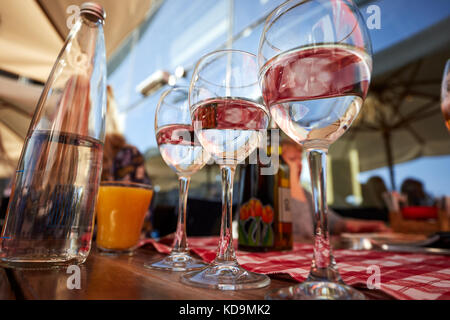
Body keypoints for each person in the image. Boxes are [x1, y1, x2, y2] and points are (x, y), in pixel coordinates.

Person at [280, 139, 390, 240]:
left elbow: (333, 223)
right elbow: (296, 233)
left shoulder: (307, 195)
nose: (299, 164)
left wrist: (372, 226)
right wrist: (291, 182)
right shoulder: (273, 195)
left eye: (300, 159)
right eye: (292, 159)